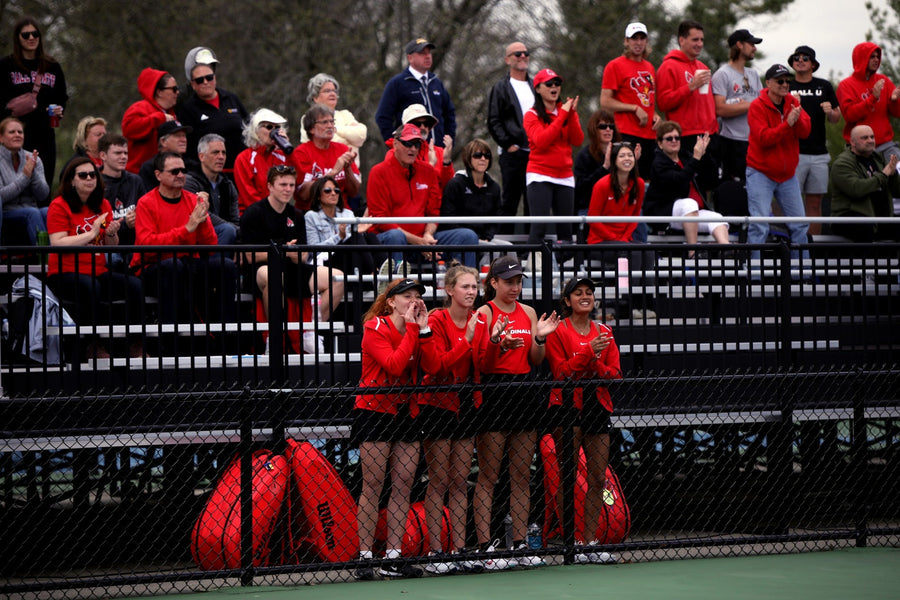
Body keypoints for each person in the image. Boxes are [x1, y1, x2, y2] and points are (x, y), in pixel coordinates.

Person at [471, 255, 559, 570]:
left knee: (522, 474)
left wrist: (539, 337)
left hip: (524, 393)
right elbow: (483, 364)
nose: (515, 286)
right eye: (508, 281)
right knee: (489, 475)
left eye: (518, 281)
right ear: (493, 282)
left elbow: (536, 359)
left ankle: (520, 543)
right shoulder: (484, 313)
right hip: (495, 393)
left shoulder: (530, 312)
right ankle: (484, 546)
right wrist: (497, 341)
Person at [352, 277, 429, 580]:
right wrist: (413, 329)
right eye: (406, 296)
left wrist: (424, 330)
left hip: (406, 411)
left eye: (416, 296)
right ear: (391, 302)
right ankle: (364, 556)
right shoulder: (375, 328)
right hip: (375, 411)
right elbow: (395, 365)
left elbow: (433, 365)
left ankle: (394, 556)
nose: (413, 301)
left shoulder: (417, 328)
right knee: (372, 484)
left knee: (403, 483)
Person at [545, 277, 622, 563]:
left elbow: (614, 375)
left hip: (596, 404)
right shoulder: (558, 331)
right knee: (568, 475)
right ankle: (570, 541)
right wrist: (589, 353)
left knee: (597, 476)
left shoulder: (604, 331)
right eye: (578, 293)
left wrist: (595, 362)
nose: (585, 297)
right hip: (567, 405)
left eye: (589, 292)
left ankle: (589, 541)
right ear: (567, 301)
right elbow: (562, 373)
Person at [45, 158, 144, 359]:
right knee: (91, 288)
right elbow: (57, 242)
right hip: (65, 272)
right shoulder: (59, 205)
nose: (89, 178)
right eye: (83, 175)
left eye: (92, 175)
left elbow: (110, 246)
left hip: (97, 270)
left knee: (135, 286)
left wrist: (111, 232)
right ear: (72, 181)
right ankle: (94, 345)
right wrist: (91, 234)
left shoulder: (103, 204)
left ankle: (135, 344)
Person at [417, 264, 480, 574]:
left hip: (466, 403)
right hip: (437, 403)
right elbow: (438, 366)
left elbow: (481, 363)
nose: (471, 292)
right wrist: (467, 340)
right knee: (439, 480)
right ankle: (435, 551)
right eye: (465, 286)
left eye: (474, 287)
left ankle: (459, 549)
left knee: (459, 480)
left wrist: (496, 344)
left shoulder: (479, 319)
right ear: (450, 290)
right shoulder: (436, 320)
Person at [131, 152, 238, 328]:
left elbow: (210, 246)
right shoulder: (146, 203)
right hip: (154, 266)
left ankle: (226, 332)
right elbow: (147, 245)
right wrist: (187, 228)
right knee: (174, 266)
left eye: (183, 170)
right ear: (158, 175)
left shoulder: (192, 200)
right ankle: (169, 337)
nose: (181, 175)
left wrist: (202, 221)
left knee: (225, 266)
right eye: (174, 171)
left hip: (188, 262)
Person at [241, 165, 344, 330]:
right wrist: (283, 251)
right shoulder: (254, 213)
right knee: (273, 275)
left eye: (291, 185)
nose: (288, 189)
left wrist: (297, 255)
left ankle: (311, 331)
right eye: (283, 185)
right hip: (261, 270)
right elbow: (250, 256)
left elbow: (303, 254)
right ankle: (274, 338)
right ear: (269, 186)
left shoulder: (296, 214)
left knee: (337, 278)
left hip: (292, 269)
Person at [367, 123, 478, 268]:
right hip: (392, 240)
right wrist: (419, 242)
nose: (413, 149)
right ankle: (396, 287)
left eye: (417, 144)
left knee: (467, 236)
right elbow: (381, 220)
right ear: (395, 143)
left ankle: (465, 286)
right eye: (408, 143)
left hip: (423, 239)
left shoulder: (428, 171)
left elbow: (433, 213)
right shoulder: (378, 172)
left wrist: (428, 236)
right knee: (396, 236)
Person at [746, 64, 811, 259]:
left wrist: (796, 118)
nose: (785, 85)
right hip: (760, 172)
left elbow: (805, 132)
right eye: (780, 81)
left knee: (800, 225)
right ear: (768, 83)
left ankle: (803, 276)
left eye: (787, 81)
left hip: (787, 175)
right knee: (759, 225)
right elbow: (764, 139)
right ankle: (755, 279)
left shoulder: (793, 102)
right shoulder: (757, 106)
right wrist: (786, 124)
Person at [587, 141, 655, 320]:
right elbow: (592, 219)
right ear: (614, 160)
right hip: (599, 241)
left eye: (630, 155)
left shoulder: (639, 184)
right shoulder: (602, 185)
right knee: (629, 253)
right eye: (622, 155)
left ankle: (644, 304)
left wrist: (623, 237)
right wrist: (615, 237)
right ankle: (625, 305)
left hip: (623, 239)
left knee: (647, 251)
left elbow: (634, 217)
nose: (627, 159)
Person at [0, 17, 67, 190]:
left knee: (43, 184)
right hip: (15, 137)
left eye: (35, 34)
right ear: (18, 38)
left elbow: (62, 97)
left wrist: (60, 110)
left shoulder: (52, 66)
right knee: (15, 186)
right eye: (26, 35)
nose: (31, 38)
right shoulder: (6, 66)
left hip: (45, 135)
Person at [644, 121, 730, 251]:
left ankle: (728, 249)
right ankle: (692, 252)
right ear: (660, 144)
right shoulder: (659, 163)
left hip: (692, 213)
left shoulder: (686, 157)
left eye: (677, 137)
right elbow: (679, 181)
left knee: (717, 218)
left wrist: (704, 154)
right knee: (689, 203)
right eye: (669, 138)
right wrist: (696, 158)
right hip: (665, 215)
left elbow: (711, 180)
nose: (674, 141)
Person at [523, 68, 583, 254]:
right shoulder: (531, 115)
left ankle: (565, 276)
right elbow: (541, 141)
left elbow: (577, 140)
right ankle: (533, 273)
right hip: (540, 175)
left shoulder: (566, 112)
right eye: (549, 84)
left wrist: (571, 114)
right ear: (538, 89)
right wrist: (564, 115)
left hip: (564, 176)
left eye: (557, 83)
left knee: (565, 230)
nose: (554, 87)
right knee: (539, 227)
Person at [656, 19, 719, 188]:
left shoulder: (703, 67)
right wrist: (691, 86)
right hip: (686, 136)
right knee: (691, 186)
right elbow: (663, 103)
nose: (699, 44)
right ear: (681, 40)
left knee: (711, 185)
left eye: (701, 40)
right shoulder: (668, 67)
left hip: (709, 136)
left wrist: (713, 130)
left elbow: (708, 104)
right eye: (695, 39)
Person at [788, 45, 841, 235]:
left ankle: (812, 249)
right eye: (796, 58)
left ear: (813, 64)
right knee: (791, 202)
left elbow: (836, 118)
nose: (800, 60)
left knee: (815, 204)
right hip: (793, 153)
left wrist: (831, 112)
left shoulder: (824, 85)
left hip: (819, 154)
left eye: (805, 58)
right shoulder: (787, 85)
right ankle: (793, 247)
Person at [600, 22, 659, 178]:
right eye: (634, 38)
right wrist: (634, 108)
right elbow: (605, 102)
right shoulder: (615, 66)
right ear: (626, 41)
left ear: (646, 41)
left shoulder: (649, 67)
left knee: (646, 184)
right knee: (627, 182)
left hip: (649, 136)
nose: (638, 42)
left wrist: (655, 115)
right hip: (626, 134)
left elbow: (647, 100)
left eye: (641, 38)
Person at [177, 46, 248, 174]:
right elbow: (186, 149)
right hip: (210, 176)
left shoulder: (231, 98)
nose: (205, 82)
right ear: (192, 84)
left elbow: (250, 129)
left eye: (209, 77)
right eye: (199, 80)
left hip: (241, 172)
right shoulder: (187, 108)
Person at [375, 37, 456, 147]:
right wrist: (395, 145)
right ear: (410, 58)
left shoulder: (437, 83)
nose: (427, 56)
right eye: (422, 53)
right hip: (411, 151)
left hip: (437, 151)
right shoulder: (397, 83)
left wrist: (448, 143)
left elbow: (449, 114)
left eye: (429, 53)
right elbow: (383, 116)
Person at [487, 41, 533, 231]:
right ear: (508, 60)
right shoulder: (501, 87)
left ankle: (533, 249)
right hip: (513, 153)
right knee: (510, 201)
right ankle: (505, 247)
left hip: (535, 153)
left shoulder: (536, 85)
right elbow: (493, 120)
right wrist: (508, 144)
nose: (522, 57)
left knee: (533, 201)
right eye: (517, 54)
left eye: (525, 53)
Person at [439, 139, 511, 257]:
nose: (483, 159)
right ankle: (484, 276)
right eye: (478, 155)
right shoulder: (456, 184)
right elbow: (448, 217)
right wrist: (473, 236)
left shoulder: (494, 187)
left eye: (486, 156)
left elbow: (496, 218)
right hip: (463, 238)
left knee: (509, 248)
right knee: (492, 250)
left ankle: (512, 276)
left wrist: (488, 236)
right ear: (468, 158)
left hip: (486, 239)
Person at [830, 125, 900, 242]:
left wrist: (893, 175)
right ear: (852, 142)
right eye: (865, 138)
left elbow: (897, 192)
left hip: (879, 217)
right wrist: (883, 175)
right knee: (864, 228)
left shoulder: (877, 159)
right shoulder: (842, 164)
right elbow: (856, 189)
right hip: (851, 217)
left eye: (872, 137)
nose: (870, 141)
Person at [304, 174, 385, 276]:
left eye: (336, 191)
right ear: (318, 195)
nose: (333, 193)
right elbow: (313, 250)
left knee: (370, 236)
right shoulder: (311, 216)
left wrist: (356, 232)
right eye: (328, 191)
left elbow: (353, 241)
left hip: (348, 258)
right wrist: (339, 237)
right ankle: (375, 274)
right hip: (326, 262)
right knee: (356, 237)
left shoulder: (348, 214)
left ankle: (388, 270)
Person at [712, 29, 763, 183]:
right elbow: (719, 109)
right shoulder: (722, 74)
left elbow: (763, 104)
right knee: (734, 193)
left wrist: (749, 105)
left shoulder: (753, 74)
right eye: (751, 44)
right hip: (732, 143)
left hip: (755, 142)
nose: (754, 48)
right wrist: (750, 105)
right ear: (739, 45)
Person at [291, 104, 360, 211]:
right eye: (324, 122)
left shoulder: (343, 149)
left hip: (340, 213)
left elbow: (354, 192)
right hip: (311, 213)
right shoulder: (302, 152)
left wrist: (347, 168)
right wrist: (333, 173)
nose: (330, 126)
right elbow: (303, 194)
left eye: (332, 122)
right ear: (311, 129)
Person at [837, 42, 900, 152]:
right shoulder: (846, 85)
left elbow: (897, 113)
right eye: (872, 56)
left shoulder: (883, 80)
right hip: (859, 148)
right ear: (861, 58)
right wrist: (873, 98)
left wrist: (894, 101)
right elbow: (850, 115)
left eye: (877, 57)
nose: (876, 60)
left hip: (885, 145)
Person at [185, 133, 240, 246]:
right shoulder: (190, 181)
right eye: (215, 152)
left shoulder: (227, 184)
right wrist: (234, 229)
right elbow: (203, 214)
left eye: (223, 153)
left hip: (225, 235)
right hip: (197, 237)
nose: (221, 157)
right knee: (228, 230)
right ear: (201, 156)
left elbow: (235, 217)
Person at [233, 108, 292, 214]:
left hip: (280, 213)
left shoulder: (282, 157)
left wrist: (289, 152)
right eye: (269, 127)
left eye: (277, 128)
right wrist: (270, 214)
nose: (274, 131)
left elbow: (296, 181)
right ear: (256, 131)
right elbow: (249, 196)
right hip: (253, 216)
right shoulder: (244, 158)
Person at [99, 133, 145, 268]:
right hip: (107, 247)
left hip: (135, 245)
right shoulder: (93, 182)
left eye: (125, 153)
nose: (123, 157)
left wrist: (139, 219)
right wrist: (125, 224)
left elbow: (148, 211)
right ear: (103, 156)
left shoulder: (135, 181)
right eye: (118, 153)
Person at [0, 116, 48, 244]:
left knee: (49, 211)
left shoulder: (34, 159)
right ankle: (46, 259)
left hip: (31, 208)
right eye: (12, 132)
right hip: (6, 212)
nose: (17, 135)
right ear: (1, 138)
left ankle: (66, 256)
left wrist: (33, 174)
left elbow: (43, 195)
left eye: (20, 132)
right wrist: (25, 177)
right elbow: (1, 196)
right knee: (32, 213)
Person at [121, 68, 179, 174]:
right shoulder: (140, 108)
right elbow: (128, 129)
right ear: (159, 92)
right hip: (139, 174)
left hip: (165, 175)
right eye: (174, 89)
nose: (177, 92)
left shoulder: (173, 113)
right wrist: (158, 119)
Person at [300, 73, 367, 157]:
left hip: (352, 169)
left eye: (334, 91)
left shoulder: (345, 114)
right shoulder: (307, 118)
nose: (332, 94)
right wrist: (350, 139)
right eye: (327, 91)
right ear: (315, 97)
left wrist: (334, 130)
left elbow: (361, 136)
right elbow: (317, 146)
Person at [574, 110, 621, 223]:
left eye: (611, 126)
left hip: (617, 207)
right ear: (594, 129)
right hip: (590, 207)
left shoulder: (621, 154)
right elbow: (582, 188)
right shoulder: (584, 155)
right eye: (603, 126)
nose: (608, 129)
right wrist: (604, 167)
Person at [395, 103, 454, 189]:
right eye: (417, 124)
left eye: (427, 124)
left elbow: (449, 189)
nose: (423, 127)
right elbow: (406, 188)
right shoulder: (397, 153)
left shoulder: (439, 152)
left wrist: (446, 162)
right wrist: (430, 166)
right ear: (406, 127)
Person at [138, 120, 192, 191]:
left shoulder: (192, 165)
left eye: (184, 136)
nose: (184, 140)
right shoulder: (149, 167)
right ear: (163, 141)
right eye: (177, 136)